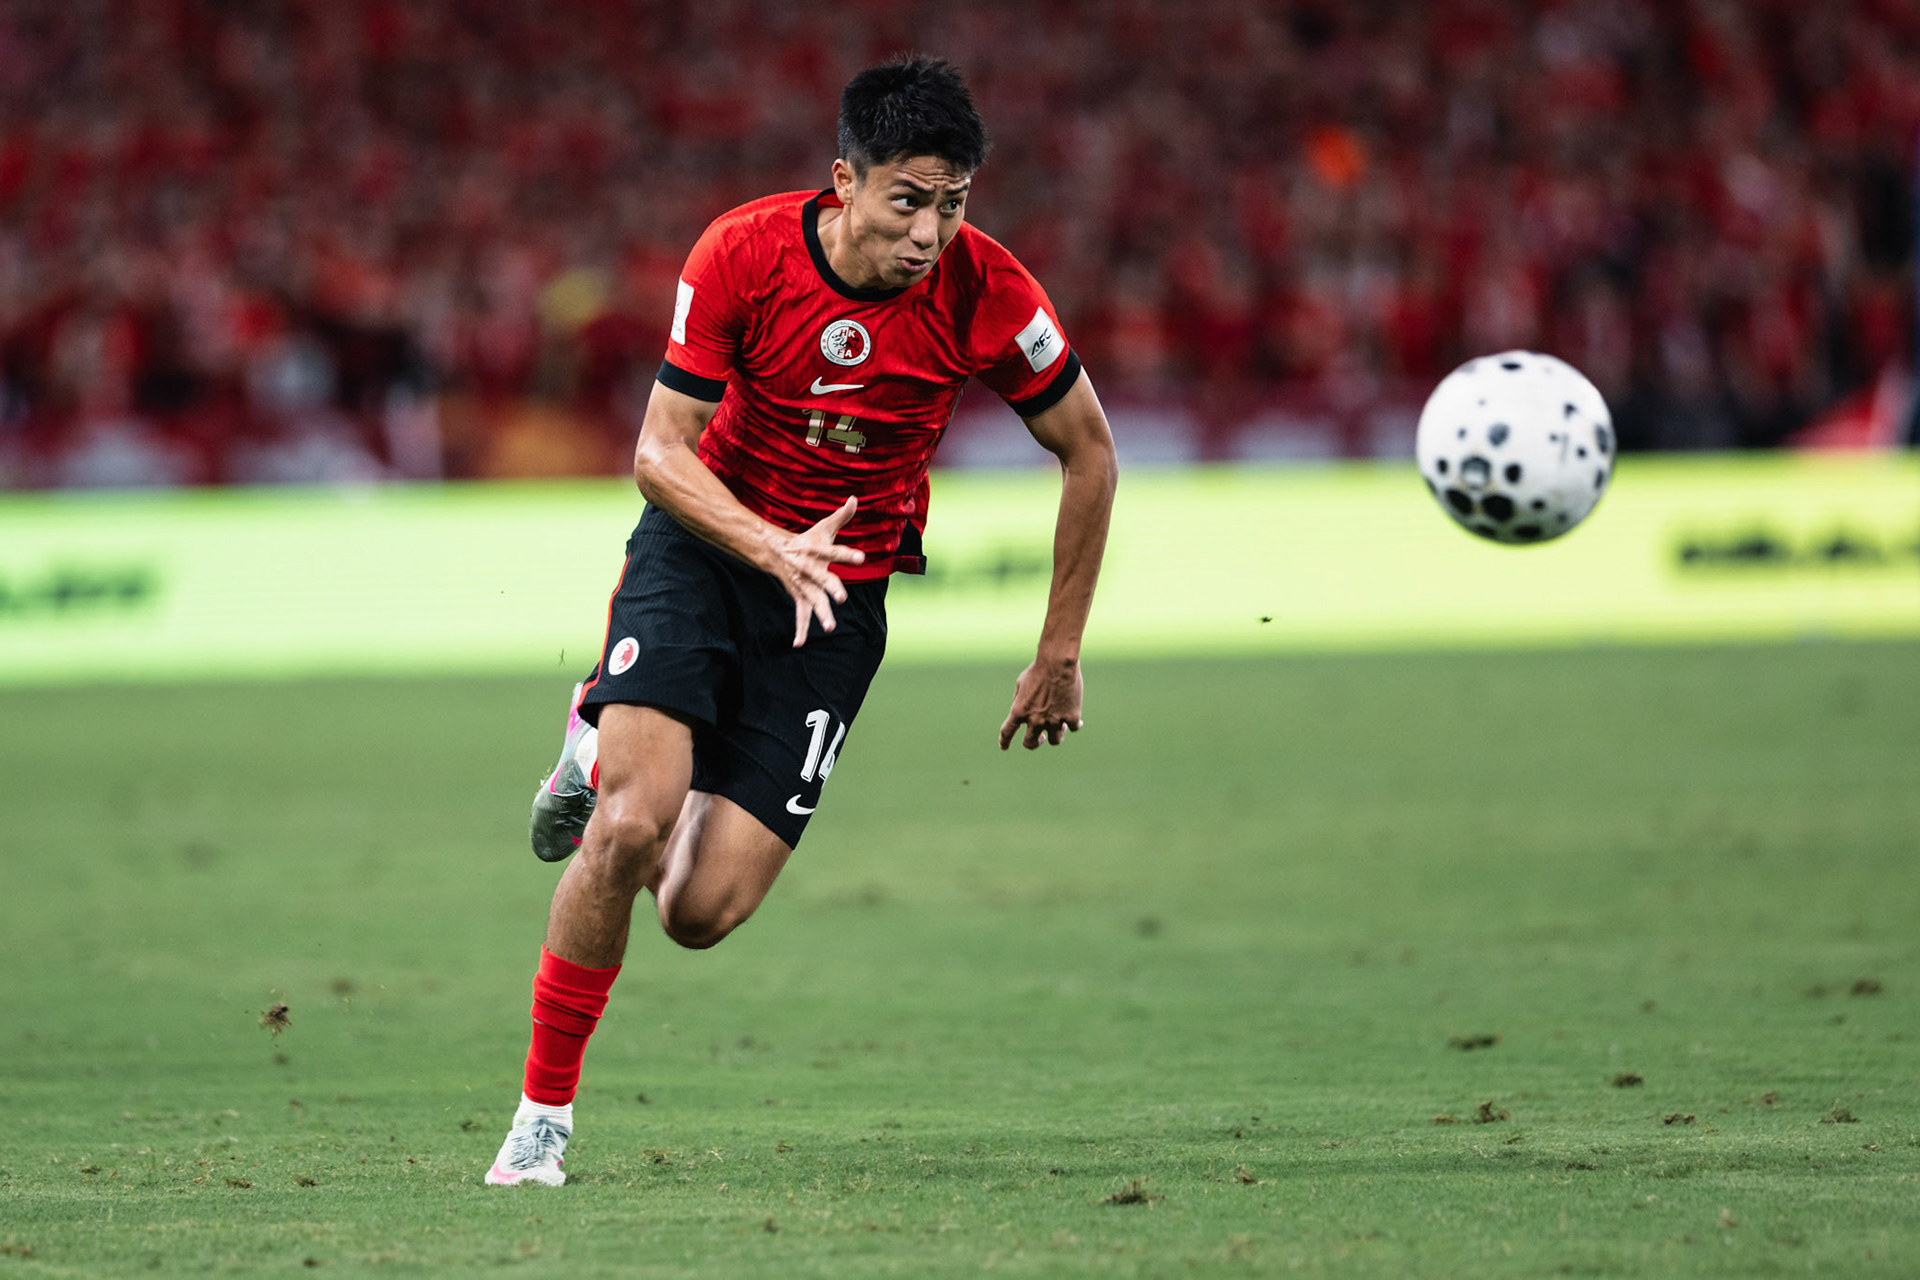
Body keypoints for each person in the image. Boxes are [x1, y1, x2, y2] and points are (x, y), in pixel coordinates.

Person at [485, 57, 1118, 1187]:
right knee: (628, 825)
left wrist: (1060, 648)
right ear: (846, 181)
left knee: (698, 912)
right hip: (704, 548)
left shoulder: (990, 290)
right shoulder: (743, 252)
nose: (929, 232)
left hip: (840, 599)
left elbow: (1090, 451)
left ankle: (606, 737)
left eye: (953, 203)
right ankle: (542, 1119)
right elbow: (657, 452)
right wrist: (767, 544)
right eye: (908, 200)